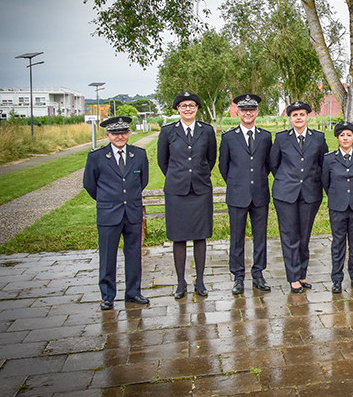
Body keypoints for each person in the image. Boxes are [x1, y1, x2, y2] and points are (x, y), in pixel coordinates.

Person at [83, 116, 149, 310]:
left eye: (123, 132)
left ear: (129, 133)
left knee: (134, 254)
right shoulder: (96, 156)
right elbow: (89, 185)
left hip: (132, 212)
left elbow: (142, 181)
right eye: (115, 133)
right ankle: (108, 295)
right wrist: (108, 200)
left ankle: (133, 292)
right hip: (108, 213)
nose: (119, 136)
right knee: (107, 256)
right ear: (107, 135)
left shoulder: (138, 155)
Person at [158, 92, 217, 299]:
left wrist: (196, 176)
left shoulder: (207, 131)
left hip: (200, 190)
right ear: (177, 109)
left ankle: (199, 281)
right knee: (178, 237)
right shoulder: (168, 132)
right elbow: (163, 161)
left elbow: (211, 159)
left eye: (191, 105)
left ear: (197, 108)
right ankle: (180, 281)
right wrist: (180, 177)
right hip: (177, 191)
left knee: (200, 236)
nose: (188, 109)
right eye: (183, 106)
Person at [270, 101, 328, 293]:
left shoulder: (318, 138)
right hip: (285, 194)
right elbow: (274, 164)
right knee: (289, 236)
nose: (299, 118)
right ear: (290, 118)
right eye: (295, 115)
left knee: (304, 236)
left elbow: (323, 164)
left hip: (310, 194)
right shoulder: (281, 138)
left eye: (302, 114)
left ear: (307, 116)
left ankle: (302, 274)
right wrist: (289, 180)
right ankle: (293, 277)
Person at [219, 93, 272, 295]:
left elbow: (268, 164)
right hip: (237, 194)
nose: (248, 113)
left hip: (259, 194)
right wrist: (237, 183)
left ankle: (258, 273)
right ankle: (238, 276)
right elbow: (223, 166)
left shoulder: (265, 136)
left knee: (260, 237)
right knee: (237, 237)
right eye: (244, 110)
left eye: (251, 109)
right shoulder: (229, 137)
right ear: (238, 112)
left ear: (257, 112)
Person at [322, 122, 353, 293]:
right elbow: (325, 183)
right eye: (342, 135)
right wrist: (338, 196)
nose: (345, 138)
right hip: (337, 206)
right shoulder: (329, 159)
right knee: (338, 242)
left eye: (349, 135)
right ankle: (336, 278)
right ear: (337, 137)